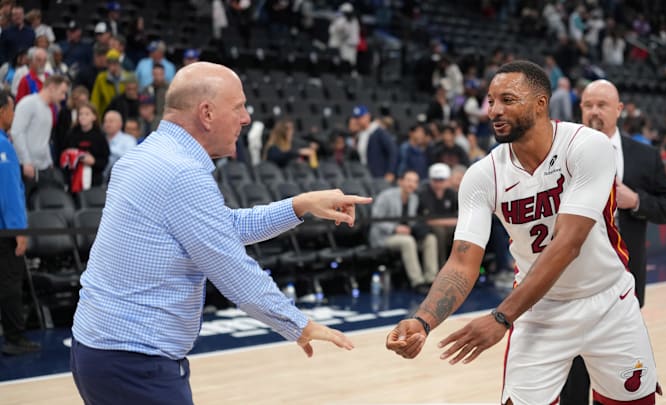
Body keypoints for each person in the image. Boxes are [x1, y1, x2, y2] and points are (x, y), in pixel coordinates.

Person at [70, 62, 370, 404]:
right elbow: (233, 271)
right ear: (207, 113)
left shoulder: (148, 155)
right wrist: (297, 324)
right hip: (135, 361)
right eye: (238, 107)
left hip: (103, 350)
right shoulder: (182, 174)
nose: (246, 118)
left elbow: (220, 229)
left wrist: (299, 205)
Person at [386, 61, 661, 405]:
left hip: (607, 301)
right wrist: (423, 321)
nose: (495, 111)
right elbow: (461, 262)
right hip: (538, 309)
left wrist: (502, 316)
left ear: (540, 104)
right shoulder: (482, 175)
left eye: (508, 100)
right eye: (490, 101)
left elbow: (568, 243)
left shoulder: (586, 146)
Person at [560, 79, 666, 404]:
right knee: (572, 379)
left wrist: (636, 201)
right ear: (580, 109)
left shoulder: (645, 155)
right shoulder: (561, 153)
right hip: (573, 284)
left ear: (619, 110)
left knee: (619, 379)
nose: (594, 111)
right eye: (588, 105)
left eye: (602, 105)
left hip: (624, 283)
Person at [0, 88, 41, 355]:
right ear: (2, 111)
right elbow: (9, 191)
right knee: (10, 282)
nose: (14, 115)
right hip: (5, 230)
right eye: (12, 109)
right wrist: (19, 229)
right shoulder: (3, 145)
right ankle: (14, 338)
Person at [370, 170, 438, 294]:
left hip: (406, 234)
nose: (411, 184)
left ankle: (431, 279)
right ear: (400, 182)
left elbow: (411, 221)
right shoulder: (386, 196)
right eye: (409, 181)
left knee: (430, 239)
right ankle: (417, 282)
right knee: (408, 241)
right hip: (385, 236)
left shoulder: (414, 198)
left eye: (415, 182)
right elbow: (375, 219)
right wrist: (395, 228)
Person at [417, 162, 458, 265]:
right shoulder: (424, 193)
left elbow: (460, 216)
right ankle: (442, 264)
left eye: (441, 180)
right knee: (439, 232)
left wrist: (449, 221)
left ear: (448, 180)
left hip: (448, 226)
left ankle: (458, 263)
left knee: (460, 231)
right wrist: (450, 221)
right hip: (427, 227)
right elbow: (428, 220)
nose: (438, 183)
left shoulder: (452, 194)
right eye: (435, 180)